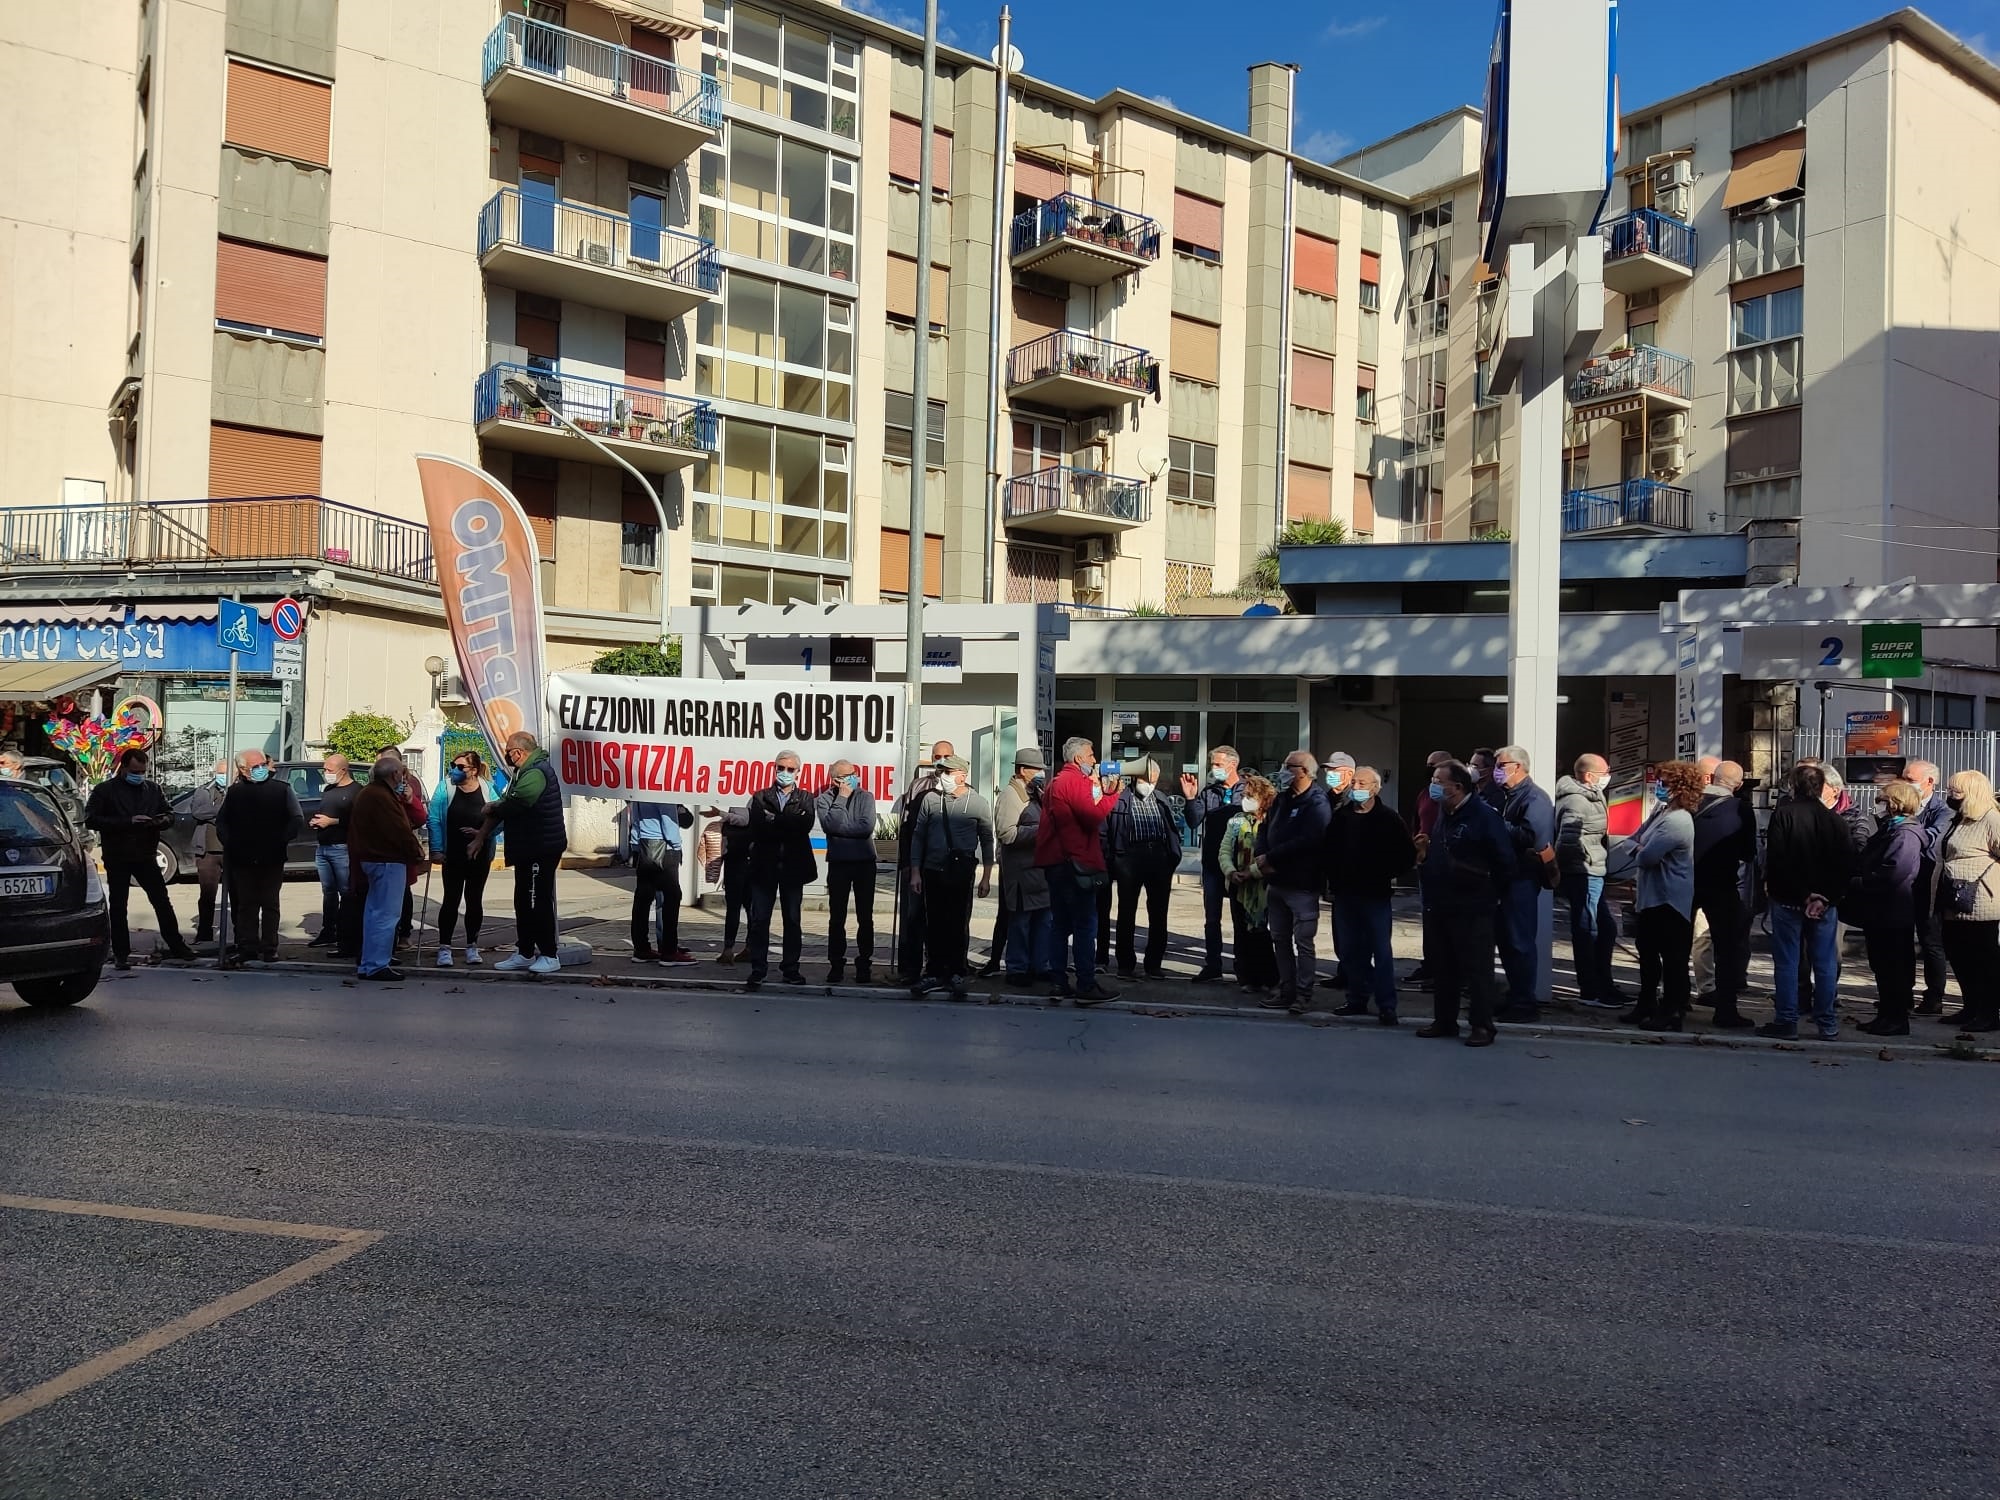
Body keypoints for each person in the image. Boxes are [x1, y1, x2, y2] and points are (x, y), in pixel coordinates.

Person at [1415, 760, 1512, 1047]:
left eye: (1438, 780)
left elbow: (1505, 862)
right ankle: (1444, 1021)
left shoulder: (1483, 816)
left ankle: (1482, 1026)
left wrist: (1489, 892)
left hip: (1474, 905)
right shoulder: (1445, 812)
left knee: (1477, 969)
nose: (1433, 785)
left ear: (1456, 787)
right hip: (1441, 902)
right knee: (1443, 967)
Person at [1760, 763, 1855, 1041]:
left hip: (1789, 899)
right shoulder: (1835, 820)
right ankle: (1827, 1023)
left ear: (1794, 786)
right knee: (1824, 963)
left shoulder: (1784, 814)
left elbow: (1778, 859)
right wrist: (1825, 897)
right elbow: (1846, 864)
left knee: (1787, 961)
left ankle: (1787, 1020)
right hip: (1824, 904)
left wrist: (1804, 894)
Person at [1606, 761, 1702, 1032]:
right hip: (1650, 897)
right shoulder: (1661, 812)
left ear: (1679, 787)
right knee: (1647, 954)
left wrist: (1638, 848)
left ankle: (1671, 1010)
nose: (1658, 786)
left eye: (1664, 783)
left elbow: (1647, 856)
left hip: (1669, 899)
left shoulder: (1678, 820)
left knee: (1672, 958)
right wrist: (1639, 846)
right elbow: (1633, 839)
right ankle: (1646, 1003)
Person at [82, 747, 194, 969]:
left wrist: (157, 822)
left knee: (161, 900)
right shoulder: (106, 790)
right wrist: (127, 821)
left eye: (142, 771)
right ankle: (121, 952)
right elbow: (92, 819)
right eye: (134, 770)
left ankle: (176, 945)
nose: (139, 775)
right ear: (123, 768)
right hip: (118, 854)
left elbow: (168, 814)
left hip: (146, 854)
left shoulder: (152, 789)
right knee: (119, 904)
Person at [470, 731, 567, 976]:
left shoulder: (535, 772)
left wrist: (495, 806)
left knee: (537, 900)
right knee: (523, 900)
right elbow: (507, 806)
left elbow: (517, 804)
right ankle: (524, 952)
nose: (507, 756)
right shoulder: (523, 772)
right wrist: (483, 834)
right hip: (528, 847)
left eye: (508, 752)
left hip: (540, 847)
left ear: (518, 753)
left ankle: (548, 954)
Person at [1328, 766, 1414, 1025]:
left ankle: (1387, 1005)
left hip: (1375, 895)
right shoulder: (1342, 816)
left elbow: (1406, 856)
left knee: (1381, 951)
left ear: (1375, 788)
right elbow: (1328, 851)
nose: (1356, 786)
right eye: (1354, 782)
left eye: (1362, 783)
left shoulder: (1388, 818)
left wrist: (1384, 873)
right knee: (1351, 951)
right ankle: (1356, 999)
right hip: (1345, 895)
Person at [1035, 736, 1117, 1005]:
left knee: (1060, 925)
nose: (1094, 760)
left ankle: (1059, 982)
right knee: (1085, 925)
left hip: (1058, 863)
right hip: (1074, 863)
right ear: (1079, 758)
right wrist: (1111, 794)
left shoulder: (1056, 782)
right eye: (1091, 755)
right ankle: (1085, 983)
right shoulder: (1073, 781)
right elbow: (1092, 817)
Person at [908, 754, 995, 997]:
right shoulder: (930, 800)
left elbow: (988, 841)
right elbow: (918, 836)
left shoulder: (978, 803)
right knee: (933, 923)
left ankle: (956, 973)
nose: (942, 776)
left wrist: (986, 876)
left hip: (961, 871)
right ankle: (934, 972)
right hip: (933, 869)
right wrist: (915, 871)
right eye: (941, 772)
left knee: (957, 923)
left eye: (947, 772)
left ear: (961, 775)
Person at [1254, 751, 1332, 1015]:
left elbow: (1311, 840)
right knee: (1280, 939)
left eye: (1289, 767)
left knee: (1303, 941)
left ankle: (1303, 993)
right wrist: (1261, 855)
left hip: (1301, 883)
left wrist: (1272, 856)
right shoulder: (1283, 799)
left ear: (1304, 771)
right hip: (1276, 881)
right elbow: (1265, 829)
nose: (1284, 771)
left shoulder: (1317, 802)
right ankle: (1286, 989)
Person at [1848, 780, 1926, 1036]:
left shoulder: (1906, 833)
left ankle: (1895, 1018)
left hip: (1893, 911)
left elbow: (1894, 872)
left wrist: (1862, 880)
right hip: (1881, 911)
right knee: (1882, 966)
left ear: (1895, 802)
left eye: (1883, 799)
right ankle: (1886, 1015)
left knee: (1893, 968)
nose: (1879, 804)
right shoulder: (1891, 829)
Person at [215, 749, 304, 965]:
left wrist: (281, 839)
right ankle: (248, 946)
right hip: (243, 857)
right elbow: (222, 822)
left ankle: (269, 947)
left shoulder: (282, 789)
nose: (261, 769)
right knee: (246, 904)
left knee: (270, 903)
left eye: (263, 764)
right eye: (255, 767)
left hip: (272, 856)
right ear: (243, 770)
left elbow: (296, 818)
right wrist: (230, 842)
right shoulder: (235, 792)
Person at [1929, 770, 2000, 1033]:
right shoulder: (1960, 819)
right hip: (1954, 898)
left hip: (1981, 901)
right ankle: (1971, 1007)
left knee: (1984, 958)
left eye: (1955, 792)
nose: (1950, 796)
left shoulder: (1991, 819)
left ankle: (1989, 1012)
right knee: (1959, 955)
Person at [1492, 745, 1556, 1023]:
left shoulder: (1535, 799)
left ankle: (1525, 1002)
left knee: (1519, 941)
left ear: (1518, 767)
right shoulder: (1507, 796)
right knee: (1506, 942)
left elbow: (1533, 838)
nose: (1496, 769)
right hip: (1504, 878)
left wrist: (1496, 824)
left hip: (1522, 879)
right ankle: (1515, 995)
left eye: (1501, 764)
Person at [743, 749, 817, 990]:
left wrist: (774, 819)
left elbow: (804, 825)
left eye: (790, 769)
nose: (784, 773)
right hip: (764, 866)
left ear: (799, 772)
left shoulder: (806, 797)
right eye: (780, 768)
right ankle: (758, 969)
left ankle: (790, 969)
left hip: (793, 867)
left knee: (792, 920)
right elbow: (757, 827)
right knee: (760, 920)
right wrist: (786, 823)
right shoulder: (760, 796)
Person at [1690, 759, 1757, 1029]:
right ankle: (1726, 1010)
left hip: (1688, 882)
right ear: (1738, 785)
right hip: (1723, 885)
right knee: (1727, 948)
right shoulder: (1741, 809)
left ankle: (1675, 1002)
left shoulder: (1691, 803)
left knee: (1678, 944)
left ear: (1712, 779)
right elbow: (1747, 852)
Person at [1106, 755, 1184, 980]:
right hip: (1130, 857)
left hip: (1159, 858)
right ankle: (1125, 964)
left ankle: (1154, 963)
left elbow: (1171, 829)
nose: (1150, 783)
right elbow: (1109, 830)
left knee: (1159, 913)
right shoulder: (1121, 798)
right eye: (1146, 778)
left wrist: (1172, 857)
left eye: (1154, 779)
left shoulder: (1161, 798)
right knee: (1126, 912)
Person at [348, 755, 425, 981]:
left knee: (374, 913)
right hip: (386, 860)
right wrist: (417, 854)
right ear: (394, 775)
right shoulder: (381, 797)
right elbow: (399, 831)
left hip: (374, 859)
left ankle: (368, 963)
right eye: (402, 773)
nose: (404, 777)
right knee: (386, 915)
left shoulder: (370, 793)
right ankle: (377, 964)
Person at [1553, 754, 1619, 1009]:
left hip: (1592, 869)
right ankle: (1592, 989)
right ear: (1588, 775)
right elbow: (1567, 840)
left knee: (1605, 928)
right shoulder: (1577, 800)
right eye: (1604, 772)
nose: (1608, 775)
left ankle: (1604, 983)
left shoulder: (1590, 794)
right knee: (1588, 930)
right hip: (1584, 872)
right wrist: (1576, 866)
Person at [1181, 745, 1246, 982]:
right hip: (1212, 863)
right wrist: (1190, 798)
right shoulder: (1209, 792)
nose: (1214, 769)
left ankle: (1243, 966)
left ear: (1233, 764)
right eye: (1213, 765)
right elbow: (1194, 821)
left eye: (1218, 764)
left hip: (1241, 864)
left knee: (1242, 917)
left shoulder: (1248, 790)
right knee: (1212, 918)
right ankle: (1213, 965)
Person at [894, 739, 955, 983]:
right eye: (936, 756)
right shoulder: (918, 785)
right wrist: (907, 863)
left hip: (948, 865)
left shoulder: (961, 787)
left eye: (946, 756)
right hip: (919, 863)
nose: (940, 760)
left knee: (945, 919)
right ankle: (910, 969)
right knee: (913, 917)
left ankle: (942, 967)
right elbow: (907, 826)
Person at [434, 750, 499, 966]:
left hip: (479, 855)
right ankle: (444, 947)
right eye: (453, 765)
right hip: (451, 853)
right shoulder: (446, 787)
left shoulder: (488, 789)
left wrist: (483, 834)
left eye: (461, 767)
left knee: (474, 900)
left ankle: (472, 945)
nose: (455, 770)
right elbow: (434, 818)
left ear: (474, 770)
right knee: (450, 900)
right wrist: (436, 849)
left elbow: (501, 816)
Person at [996, 749, 1054, 987]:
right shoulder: (1011, 796)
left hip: (1040, 872)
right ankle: (1017, 968)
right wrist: (1041, 832)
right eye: (1036, 769)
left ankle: (1040, 965)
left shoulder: (1035, 794)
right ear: (1022, 770)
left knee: (1043, 921)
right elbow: (1006, 833)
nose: (1041, 773)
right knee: (1020, 923)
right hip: (1020, 874)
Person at [816, 760, 878, 983]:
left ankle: (864, 963)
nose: (853, 777)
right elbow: (829, 825)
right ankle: (836, 964)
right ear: (835, 780)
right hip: (839, 863)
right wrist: (841, 798)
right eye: (846, 775)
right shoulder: (824, 800)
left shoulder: (866, 797)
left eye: (854, 773)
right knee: (837, 916)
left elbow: (866, 827)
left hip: (864, 863)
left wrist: (840, 831)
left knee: (865, 916)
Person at [1218, 774, 1279, 997]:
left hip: (1263, 887)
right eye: (1244, 796)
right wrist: (1231, 871)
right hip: (1238, 886)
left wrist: (1252, 872)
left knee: (1261, 933)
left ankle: (1270, 979)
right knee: (1241, 933)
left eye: (1250, 796)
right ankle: (1246, 978)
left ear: (1262, 798)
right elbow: (1224, 850)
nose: (1245, 800)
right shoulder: (1236, 820)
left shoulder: (1272, 821)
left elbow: (1273, 855)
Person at [1905, 759, 1954, 1015]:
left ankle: (1934, 996)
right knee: (1901, 940)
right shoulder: (1904, 805)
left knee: (1930, 941)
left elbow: (1933, 841)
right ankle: (1902, 993)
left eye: (1910, 779)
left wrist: (1906, 831)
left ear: (1929, 782)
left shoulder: (1943, 810)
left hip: (1929, 884)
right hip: (1904, 883)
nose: (1906, 784)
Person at [1407, 748, 1455, 987]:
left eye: (1436, 766)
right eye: (1429, 766)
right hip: (1425, 863)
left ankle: (1444, 970)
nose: (1431, 772)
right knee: (1429, 916)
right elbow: (1416, 823)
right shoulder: (1425, 794)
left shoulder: (1453, 797)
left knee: (1445, 919)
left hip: (1446, 866)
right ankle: (1430, 965)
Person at [377, 744, 429, 945]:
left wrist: (409, 800)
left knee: (403, 891)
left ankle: (403, 933)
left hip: (400, 848)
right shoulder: (374, 791)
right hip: (379, 851)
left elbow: (419, 817)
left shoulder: (410, 784)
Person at [309, 753, 358, 951]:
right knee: (328, 892)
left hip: (342, 848)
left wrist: (333, 822)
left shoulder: (356, 791)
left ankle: (346, 934)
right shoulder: (329, 790)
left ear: (343, 770)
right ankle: (328, 930)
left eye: (329, 770)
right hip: (323, 847)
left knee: (346, 892)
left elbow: (358, 820)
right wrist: (317, 822)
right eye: (324, 769)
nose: (325, 773)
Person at [187, 757, 230, 946]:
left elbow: (237, 814)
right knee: (207, 895)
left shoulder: (237, 791)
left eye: (226, 773)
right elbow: (197, 812)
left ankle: (241, 935)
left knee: (237, 895)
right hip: (207, 853)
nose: (222, 776)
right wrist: (221, 812)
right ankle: (204, 933)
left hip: (230, 851)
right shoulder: (204, 791)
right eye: (220, 773)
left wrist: (213, 813)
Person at [1470, 748, 1505, 813]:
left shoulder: (1497, 796)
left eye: (1475, 766)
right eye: (1470, 764)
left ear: (1489, 770)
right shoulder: (1471, 791)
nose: (1471, 769)